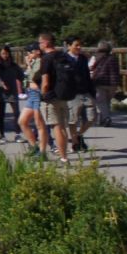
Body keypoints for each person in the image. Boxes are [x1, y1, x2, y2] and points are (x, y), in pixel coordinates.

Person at [37, 33, 73, 164]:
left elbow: (45, 81)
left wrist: (42, 94)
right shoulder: (63, 55)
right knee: (62, 126)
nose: (39, 45)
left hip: (51, 97)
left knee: (56, 127)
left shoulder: (46, 58)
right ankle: (64, 155)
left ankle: (63, 157)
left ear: (46, 43)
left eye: (40, 43)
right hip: (64, 95)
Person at [66, 37, 97, 152]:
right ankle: (74, 143)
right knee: (73, 119)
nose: (79, 47)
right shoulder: (65, 59)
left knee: (92, 117)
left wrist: (92, 91)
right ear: (69, 46)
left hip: (86, 91)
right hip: (72, 93)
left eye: (80, 45)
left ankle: (79, 135)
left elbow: (87, 75)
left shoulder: (83, 58)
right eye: (76, 45)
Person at [16, 44, 47, 154]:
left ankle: (42, 152)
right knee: (22, 121)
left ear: (37, 51)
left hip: (38, 93)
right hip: (31, 94)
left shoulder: (41, 61)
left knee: (40, 125)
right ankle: (34, 147)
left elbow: (33, 76)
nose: (28, 55)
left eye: (30, 52)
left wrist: (29, 65)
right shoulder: (34, 62)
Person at [0, 45, 22, 140]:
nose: (5, 55)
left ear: (9, 53)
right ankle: (2, 134)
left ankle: (17, 134)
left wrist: (21, 87)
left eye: (6, 53)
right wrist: (2, 84)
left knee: (16, 113)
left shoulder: (14, 65)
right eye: (3, 53)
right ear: (0, 54)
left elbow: (20, 76)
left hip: (12, 90)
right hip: (1, 91)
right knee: (2, 113)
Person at [89, 41, 120, 127]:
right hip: (113, 83)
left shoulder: (95, 57)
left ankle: (106, 118)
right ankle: (103, 119)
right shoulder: (113, 58)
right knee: (107, 101)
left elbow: (90, 68)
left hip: (100, 81)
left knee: (101, 102)